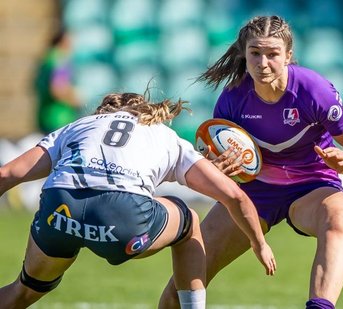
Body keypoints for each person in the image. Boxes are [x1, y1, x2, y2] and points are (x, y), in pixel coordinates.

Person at [159, 15, 343, 309]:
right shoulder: (233, 98)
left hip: (312, 185)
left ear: (288, 56)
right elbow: (218, 163)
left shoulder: (313, 90)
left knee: (338, 218)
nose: (263, 63)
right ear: (244, 54)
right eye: (255, 53)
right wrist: (221, 168)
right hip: (253, 191)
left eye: (272, 54)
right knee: (179, 289)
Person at [0, 92, 276, 309]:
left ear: (103, 112)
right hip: (120, 218)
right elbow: (234, 196)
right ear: (148, 113)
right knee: (189, 220)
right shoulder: (166, 136)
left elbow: (7, 174)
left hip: (59, 210)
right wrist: (258, 243)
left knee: (23, 291)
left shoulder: (78, 126)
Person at [34, 27, 82, 134]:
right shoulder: (61, 60)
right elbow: (57, 89)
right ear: (64, 40)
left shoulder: (47, 58)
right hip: (59, 117)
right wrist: (75, 101)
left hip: (45, 115)